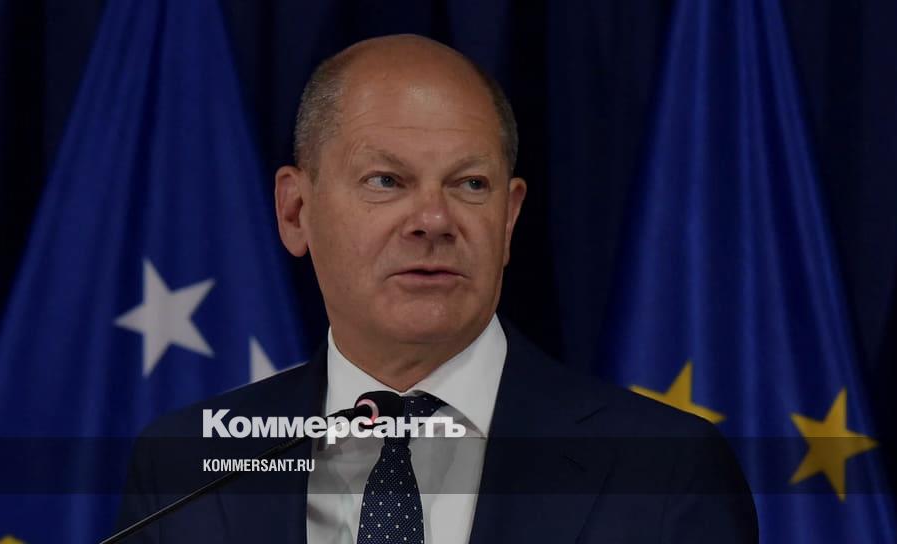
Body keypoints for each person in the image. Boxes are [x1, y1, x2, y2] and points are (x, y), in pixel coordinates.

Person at [116, 34, 758, 543]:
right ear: (295, 211)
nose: (433, 219)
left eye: (470, 184)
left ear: (508, 219)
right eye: (386, 181)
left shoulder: (665, 470)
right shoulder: (185, 466)